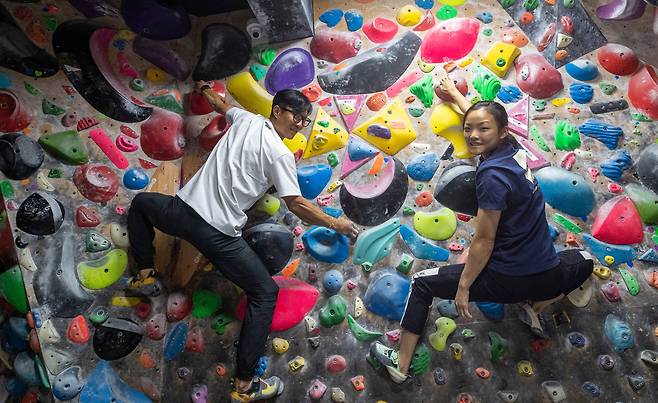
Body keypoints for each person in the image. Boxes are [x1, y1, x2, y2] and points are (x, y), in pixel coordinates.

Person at [126, 84, 359, 402]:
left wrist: (205, 90)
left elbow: (222, 105)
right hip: (217, 234)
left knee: (141, 205)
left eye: (305, 120)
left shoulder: (247, 119)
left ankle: (144, 273)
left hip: (182, 213)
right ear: (277, 111)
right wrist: (337, 224)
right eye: (297, 117)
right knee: (265, 293)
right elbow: (296, 204)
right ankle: (245, 385)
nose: (300, 125)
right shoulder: (279, 153)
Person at [369, 74, 594, 383]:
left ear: (501, 132)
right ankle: (536, 305)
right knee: (585, 260)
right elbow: (482, 121)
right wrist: (455, 95)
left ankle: (401, 364)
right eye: (468, 129)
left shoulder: (490, 177)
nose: (473, 136)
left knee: (421, 284)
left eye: (482, 130)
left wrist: (464, 287)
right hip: (546, 276)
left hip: (503, 280)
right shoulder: (514, 150)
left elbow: (485, 239)